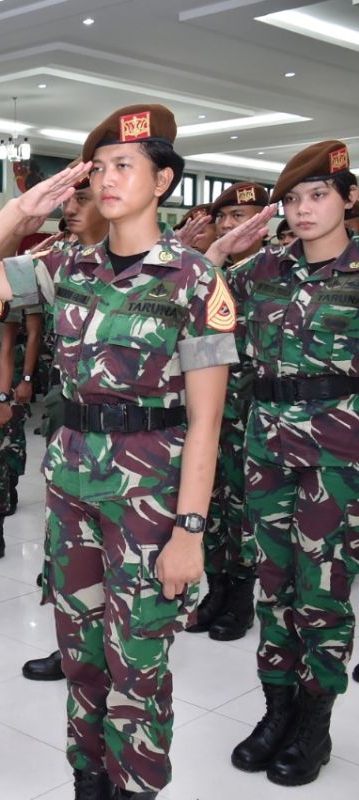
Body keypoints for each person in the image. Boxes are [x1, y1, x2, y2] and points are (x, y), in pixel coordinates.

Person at [0, 104, 237, 800]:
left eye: (124, 166)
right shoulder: (66, 266)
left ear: (163, 180)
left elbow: (207, 421)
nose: (106, 179)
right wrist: (20, 210)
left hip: (150, 499)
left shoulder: (194, 280)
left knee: (137, 660)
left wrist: (190, 530)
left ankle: (135, 784)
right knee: (81, 656)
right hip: (73, 489)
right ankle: (88, 779)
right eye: (98, 168)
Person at [207, 140, 358, 787]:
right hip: (265, 446)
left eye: (318, 194)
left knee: (321, 588)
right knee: (274, 583)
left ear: (349, 198)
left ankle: (314, 722)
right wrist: (216, 252)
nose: (303, 209)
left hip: (338, 453)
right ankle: (277, 708)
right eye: (292, 199)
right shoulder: (260, 271)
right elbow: (189, 302)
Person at [20, 169, 110, 684]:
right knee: (67, 548)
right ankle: (71, 641)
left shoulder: (176, 270)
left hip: (140, 443)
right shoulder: (58, 263)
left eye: (80, 197)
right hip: (72, 421)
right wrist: (25, 214)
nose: (68, 208)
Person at [187, 182, 270, 642]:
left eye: (245, 216)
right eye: (227, 216)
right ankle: (215, 590)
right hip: (208, 413)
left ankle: (241, 598)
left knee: (244, 509)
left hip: (255, 414)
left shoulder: (275, 273)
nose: (234, 225)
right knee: (211, 504)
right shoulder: (209, 274)